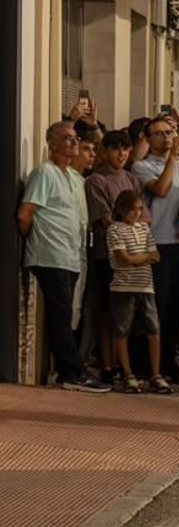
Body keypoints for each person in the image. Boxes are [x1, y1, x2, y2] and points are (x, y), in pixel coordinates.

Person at [18, 123, 106, 391]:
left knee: (66, 314)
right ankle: (71, 373)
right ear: (52, 144)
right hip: (50, 254)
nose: (73, 142)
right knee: (60, 313)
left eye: (74, 138)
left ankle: (69, 368)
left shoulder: (73, 177)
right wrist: (35, 240)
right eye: (66, 139)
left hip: (70, 254)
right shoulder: (45, 172)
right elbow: (25, 214)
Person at [133, 116, 179, 382]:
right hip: (157, 241)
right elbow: (161, 189)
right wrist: (173, 160)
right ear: (149, 138)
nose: (167, 137)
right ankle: (147, 363)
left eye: (170, 132)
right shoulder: (141, 166)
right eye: (159, 133)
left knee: (175, 308)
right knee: (155, 306)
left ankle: (169, 361)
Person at [84, 130, 139, 381]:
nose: (122, 154)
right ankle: (107, 364)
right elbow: (106, 220)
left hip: (132, 253)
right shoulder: (97, 180)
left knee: (125, 312)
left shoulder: (131, 179)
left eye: (126, 149)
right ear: (105, 151)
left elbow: (145, 215)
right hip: (108, 254)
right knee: (106, 310)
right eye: (116, 149)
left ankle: (122, 362)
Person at [106, 190, 171, 393]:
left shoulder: (144, 228)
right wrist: (142, 259)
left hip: (145, 285)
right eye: (132, 209)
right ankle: (127, 373)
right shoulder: (114, 230)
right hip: (123, 286)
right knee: (122, 330)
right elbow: (123, 257)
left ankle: (155, 374)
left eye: (140, 209)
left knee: (154, 330)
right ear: (122, 209)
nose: (136, 213)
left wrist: (137, 259)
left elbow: (156, 255)